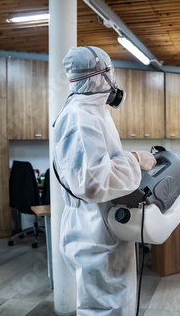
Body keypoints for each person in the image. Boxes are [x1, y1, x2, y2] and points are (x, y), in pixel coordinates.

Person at [53, 46, 157, 315]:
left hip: (103, 224)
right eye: (110, 71)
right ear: (102, 74)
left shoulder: (95, 111)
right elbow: (91, 182)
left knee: (116, 301)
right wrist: (135, 159)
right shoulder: (79, 117)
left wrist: (129, 160)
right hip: (92, 229)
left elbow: (101, 163)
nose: (114, 79)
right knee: (103, 306)